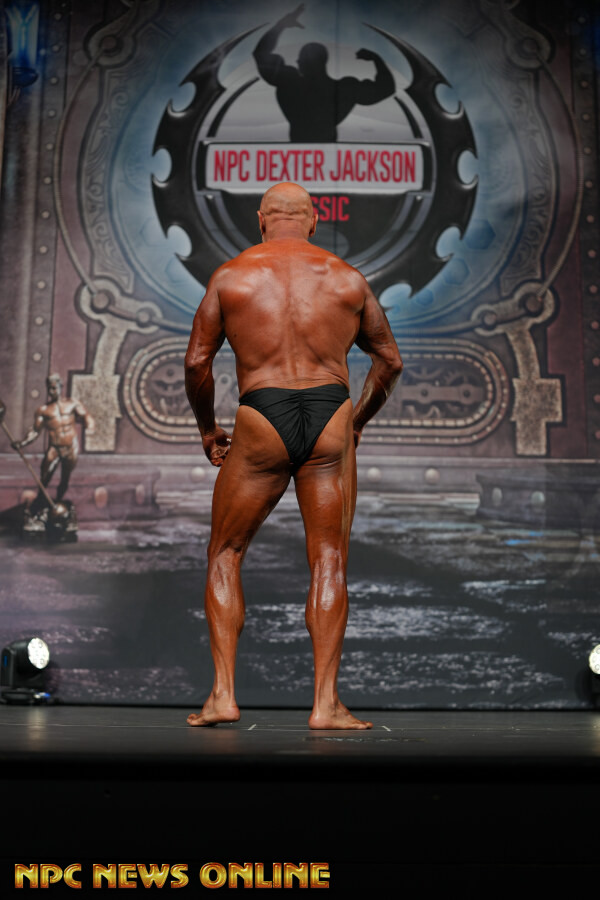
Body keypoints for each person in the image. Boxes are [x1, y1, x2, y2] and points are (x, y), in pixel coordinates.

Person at [185, 181, 403, 729]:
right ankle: (326, 704)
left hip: (262, 414)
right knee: (329, 560)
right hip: (330, 413)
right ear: (314, 221)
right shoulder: (347, 278)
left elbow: (196, 363)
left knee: (225, 552)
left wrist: (209, 429)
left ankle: (223, 696)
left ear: (261, 220)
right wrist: (356, 421)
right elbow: (390, 361)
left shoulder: (231, 277)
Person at [253, 4, 395, 142]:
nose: (297, 62)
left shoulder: (289, 82)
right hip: (325, 149)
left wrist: (280, 26)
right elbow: (387, 88)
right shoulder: (345, 89)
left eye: (300, 59)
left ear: (305, 62)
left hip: (299, 149)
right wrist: (377, 59)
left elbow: (260, 54)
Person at [12, 374, 95, 509]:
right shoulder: (43, 410)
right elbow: (35, 431)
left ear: (61, 387)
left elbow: (85, 414)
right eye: (50, 388)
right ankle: (39, 503)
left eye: (55, 388)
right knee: (45, 476)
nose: (52, 391)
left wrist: (90, 424)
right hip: (55, 448)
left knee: (65, 478)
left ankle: (58, 503)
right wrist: (22, 443)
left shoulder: (72, 403)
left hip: (71, 447)